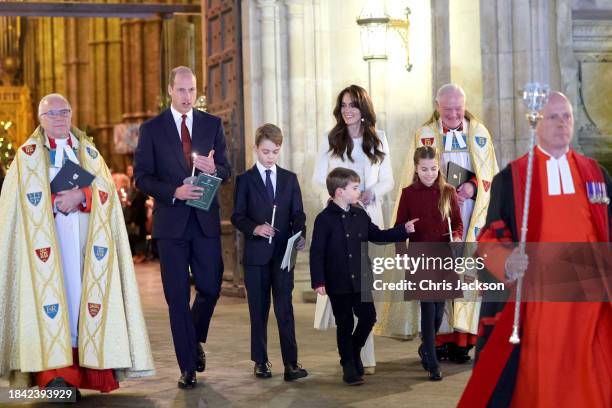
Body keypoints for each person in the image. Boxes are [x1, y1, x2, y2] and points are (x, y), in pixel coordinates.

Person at [459, 92, 612, 407]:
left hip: (591, 302)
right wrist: (507, 262)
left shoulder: (595, 174)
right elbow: (488, 238)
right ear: (536, 124)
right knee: (541, 381)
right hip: (540, 304)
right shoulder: (512, 179)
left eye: (567, 116)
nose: (562, 124)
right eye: (553, 117)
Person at [0, 93, 154, 396]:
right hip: (43, 252)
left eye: (64, 112)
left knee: (82, 305)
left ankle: (89, 373)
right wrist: (51, 201)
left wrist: (81, 196)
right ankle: (56, 378)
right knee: (54, 307)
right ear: (40, 120)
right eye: (52, 114)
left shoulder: (89, 153)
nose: (59, 118)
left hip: (86, 250)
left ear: (71, 115)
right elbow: (13, 207)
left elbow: (107, 194)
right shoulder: (27, 156)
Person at [376, 84, 498, 362]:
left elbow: (491, 173)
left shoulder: (479, 133)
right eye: (448, 109)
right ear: (437, 106)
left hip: (469, 216)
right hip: (437, 217)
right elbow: (414, 174)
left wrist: (472, 186)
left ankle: (463, 341)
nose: (454, 114)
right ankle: (438, 340)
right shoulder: (425, 134)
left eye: (458, 108)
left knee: (466, 274)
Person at [134, 66, 231, 389]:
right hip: (171, 225)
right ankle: (187, 366)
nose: (187, 96)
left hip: (204, 221)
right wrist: (173, 192)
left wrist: (212, 167)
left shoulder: (212, 124)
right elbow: (142, 177)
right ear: (170, 91)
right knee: (176, 297)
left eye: (192, 91)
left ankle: (193, 337)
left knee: (210, 287)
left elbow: (227, 170)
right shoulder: (152, 129)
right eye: (182, 90)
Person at [312, 84, 394, 374]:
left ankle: (360, 356)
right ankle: (354, 358)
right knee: (346, 296)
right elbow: (318, 178)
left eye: (353, 105)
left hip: (367, 218)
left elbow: (388, 179)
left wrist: (372, 192)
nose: (347, 110)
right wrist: (339, 201)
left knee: (365, 294)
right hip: (339, 220)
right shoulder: (331, 139)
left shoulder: (378, 138)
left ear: (363, 109)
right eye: (343, 105)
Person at [310, 167, 411, 385]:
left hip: (362, 278)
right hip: (338, 281)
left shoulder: (360, 214)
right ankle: (348, 365)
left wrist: (403, 230)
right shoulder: (324, 219)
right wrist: (318, 281)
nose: (359, 191)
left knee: (368, 317)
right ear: (340, 192)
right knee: (344, 323)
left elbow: (378, 236)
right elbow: (316, 252)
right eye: (355, 188)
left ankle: (353, 351)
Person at [231, 123, 308, 381]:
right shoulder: (244, 180)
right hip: (255, 257)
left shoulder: (289, 179)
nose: (270, 157)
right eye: (265, 152)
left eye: (275, 152)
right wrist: (256, 228)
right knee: (259, 310)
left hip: (282, 255)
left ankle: (291, 364)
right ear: (255, 149)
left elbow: (298, 214)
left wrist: (300, 235)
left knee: (285, 309)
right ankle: (261, 361)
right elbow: (237, 217)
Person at [395, 146, 463, 381]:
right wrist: (402, 253)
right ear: (416, 168)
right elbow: (399, 227)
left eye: (433, 168)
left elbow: (457, 223)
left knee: (437, 313)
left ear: (439, 167)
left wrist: (457, 236)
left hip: (443, 257)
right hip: (419, 257)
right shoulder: (408, 193)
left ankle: (426, 348)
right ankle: (433, 363)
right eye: (424, 169)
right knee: (428, 308)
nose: (429, 173)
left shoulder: (448, 191)